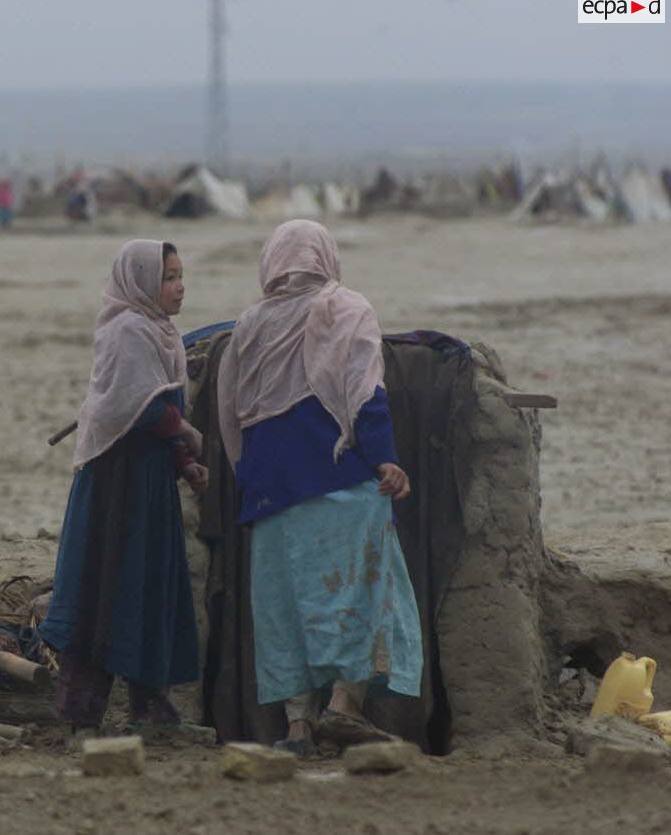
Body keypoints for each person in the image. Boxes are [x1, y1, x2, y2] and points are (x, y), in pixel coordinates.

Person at [215, 219, 423, 758]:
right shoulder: (345, 308)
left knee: (285, 609)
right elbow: (364, 392)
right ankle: (345, 706)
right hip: (339, 486)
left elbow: (230, 413)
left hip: (269, 496)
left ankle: (298, 729)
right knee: (366, 591)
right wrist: (385, 459)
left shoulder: (249, 325)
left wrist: (254, 479)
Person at [38, 240, 206, 734]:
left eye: (180, 276)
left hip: (149, 481)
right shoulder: (127, 330)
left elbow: (155, 407)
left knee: (146, 586)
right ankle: (79, 714)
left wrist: (183, 462)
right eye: (169, 277)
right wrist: (188, 432)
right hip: (117, 485)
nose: (179, 287)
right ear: (141, 282)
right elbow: (138, 409)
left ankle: (151, 710)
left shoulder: (160, 331)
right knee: (105, 585)